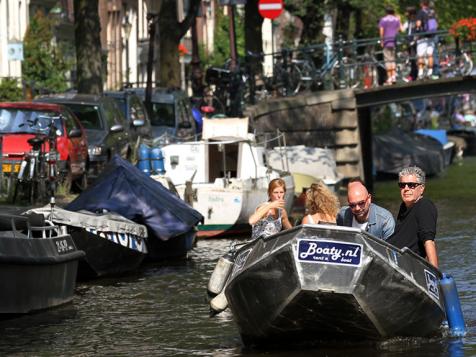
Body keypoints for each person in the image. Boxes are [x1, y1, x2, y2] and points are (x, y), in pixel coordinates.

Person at [387, 166, 439, 268]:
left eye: (411, 185)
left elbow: (429, 241)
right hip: (390, 259)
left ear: (422, 188)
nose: (406, 189)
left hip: (404, 266)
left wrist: (435, 275)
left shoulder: (425, 206)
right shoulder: (404, 207)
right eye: (402, 185)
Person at [378, 7, 402, 85]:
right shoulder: (396, 20)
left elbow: (381, 31)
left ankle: (389, 77)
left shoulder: (383, 20)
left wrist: (382, 40)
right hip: (394, 41)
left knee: (388, 60)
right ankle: (394, 76)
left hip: (386, 41)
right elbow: (399, 30)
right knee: (393, 59)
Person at [415, 0, 436, 79]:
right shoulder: (432, 12)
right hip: (431, 36)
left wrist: (417, 29)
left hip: (423, 36)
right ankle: (430, 71)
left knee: (420, 55)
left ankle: (420, 72)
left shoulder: (421, 12)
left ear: (421, 4)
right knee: (430, 54)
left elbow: (418, 24)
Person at [402, 6, 418, 81]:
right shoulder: (408, 21)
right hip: (409, 43)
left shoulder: (416, 21)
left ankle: (414, 75)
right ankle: (413, 75)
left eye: (407, 12)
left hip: (414, 42)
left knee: (413, 58)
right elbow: (403, 29)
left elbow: (417, 31)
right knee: (412, 59)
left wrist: (414, 40)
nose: (405, 14)